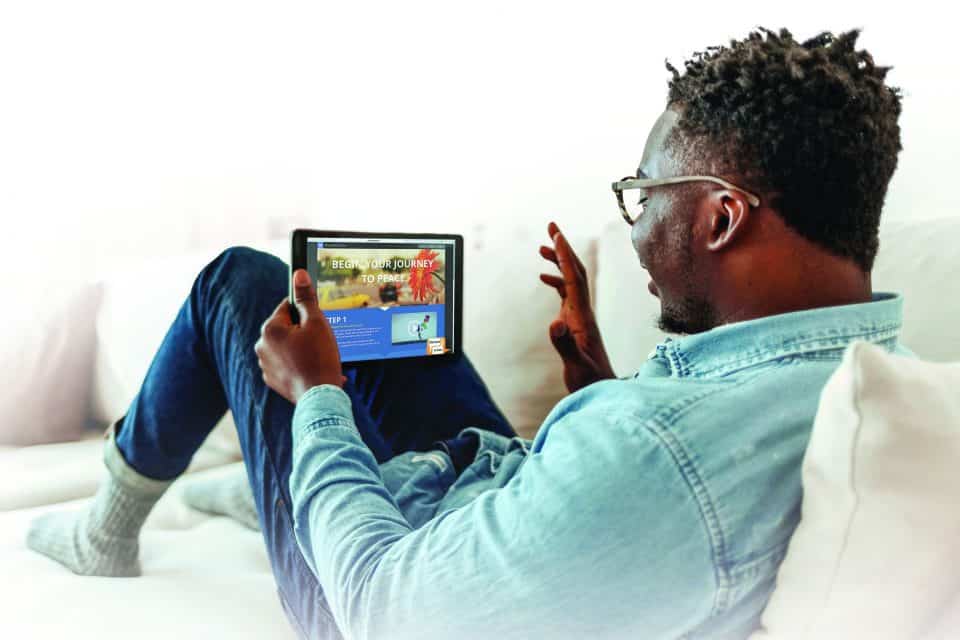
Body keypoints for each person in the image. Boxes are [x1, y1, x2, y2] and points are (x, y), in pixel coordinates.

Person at [26, 27, 905, 639]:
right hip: (493, 493)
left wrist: (319, 395)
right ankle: (269, 494)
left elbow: (382, 609)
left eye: (644, 197)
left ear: (718, 218)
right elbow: (648, 485)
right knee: (417, 325)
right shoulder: (872, 375)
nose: (635, 229)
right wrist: (600, 384)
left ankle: (112, 528)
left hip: (363, 583)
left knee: (239, 283)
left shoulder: (655, 460)